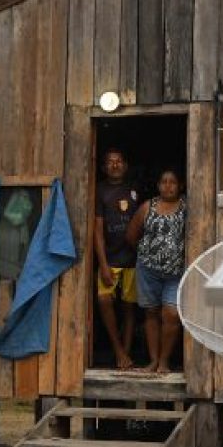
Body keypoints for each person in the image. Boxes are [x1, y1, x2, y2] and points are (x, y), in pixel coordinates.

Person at [126, 169, 187, 374]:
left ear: (180, 186)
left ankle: (164, 361)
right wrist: (147, 254)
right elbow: (131, 235)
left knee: (171, 314)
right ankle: (153, 361)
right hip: (148, 270)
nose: (168, 186)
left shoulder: (187, 206)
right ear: (158, 185)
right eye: (164, 182)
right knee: (151, 313)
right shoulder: (148, 207)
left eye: (172, 182)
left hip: (176, 272)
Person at [94, 148, 141, 369]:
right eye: (110, 162)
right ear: (103, 167)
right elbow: (97, 230)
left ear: (126, 165)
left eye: (119, 161)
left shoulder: (135, 190)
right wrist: (103, 264)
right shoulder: (99, 191)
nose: (115, 165)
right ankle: (118, 350)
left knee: (129, 306)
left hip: (133, 259)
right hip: (110, 259)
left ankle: (127, 353)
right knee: (104, 300)